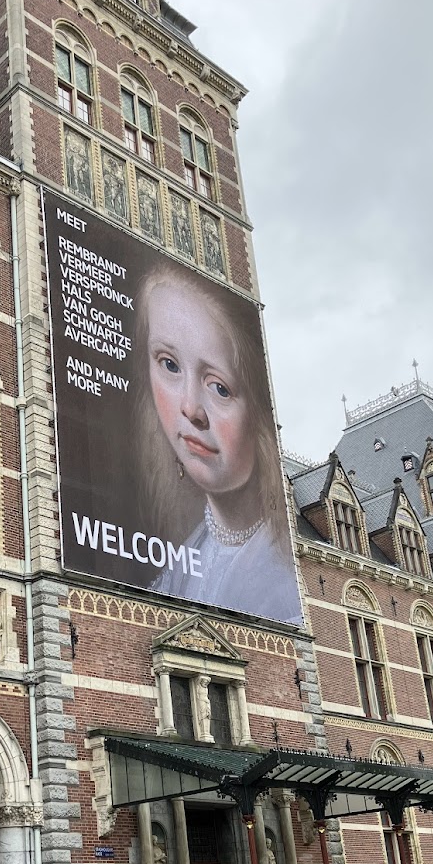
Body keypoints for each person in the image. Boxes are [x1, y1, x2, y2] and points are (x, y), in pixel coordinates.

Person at [134, 264, 301, 624]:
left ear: (260, 412)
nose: (191, 409)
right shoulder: (184, 562)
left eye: (219, 387)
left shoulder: (282, 582)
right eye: (169, 365)